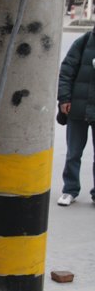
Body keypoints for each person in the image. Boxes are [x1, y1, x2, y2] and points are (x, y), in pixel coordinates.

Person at [56, 26, 95, 206]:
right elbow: (66, 71)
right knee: (73, 153)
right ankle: (69, 190)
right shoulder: (84, 42)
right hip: (78, 109)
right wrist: (64, 99)